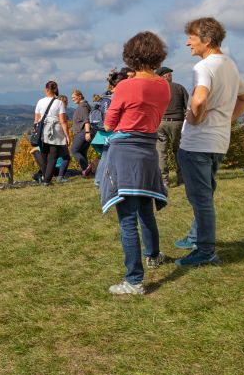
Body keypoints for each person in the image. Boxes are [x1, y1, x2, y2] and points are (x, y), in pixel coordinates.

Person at [174, 17, 244, 267]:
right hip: (218, 141)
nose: (187, 43)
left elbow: (198, 100)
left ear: (206, 40)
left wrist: (194, 119)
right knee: (205, 193)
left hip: (198, 142)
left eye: (192, 38)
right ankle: (197, 237)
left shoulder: (204, 67)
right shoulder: (228, 64)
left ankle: (205, 251)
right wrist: (229, 118)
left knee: (200, 198)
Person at [99, 32, 170, 295]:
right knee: (145, 208)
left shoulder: (125, 87)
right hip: (149, 148)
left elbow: (109, 122)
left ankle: (134, 280)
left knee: (127, 216)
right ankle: (153, 255)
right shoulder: (163, 85)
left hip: (125, 150)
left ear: (130, 55)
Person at [155, 67, 189, 187]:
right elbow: (187, 106)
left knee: (161, 152)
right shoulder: (179, 88)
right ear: (168, 76)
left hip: (160, 123)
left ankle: (164, 180)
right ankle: (181, 178)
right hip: (177, 123)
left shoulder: (155, 89)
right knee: (178, 151)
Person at [34, 81, 70, 186]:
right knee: (52, 157)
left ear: (46, 89)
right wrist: (67, 135)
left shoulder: (40, 102)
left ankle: (45, 178)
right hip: (55, 131)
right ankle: (46, 180)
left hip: (42, 131)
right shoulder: (59, 103)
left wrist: (36, 131)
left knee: (44, 155)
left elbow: (36, 119)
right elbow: (63, 121)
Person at [70, 89, 92, 175]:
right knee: (82, 152)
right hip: (83, 132)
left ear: (79, 96)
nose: (72, 99)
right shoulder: (83, 105)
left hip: (83, 132)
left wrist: (87, 132)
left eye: (74, 97)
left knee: (74, 150)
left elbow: (86, 120)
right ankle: (86, 172)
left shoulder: (83, 106)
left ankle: (86, 168)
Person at [55, 95, 73, 182]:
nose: (67, 104)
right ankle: (60, 176)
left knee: (53, 157)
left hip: (52, 137)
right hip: (60, 137)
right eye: (66, 102)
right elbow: (64, 124)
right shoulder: (62, 113)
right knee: (66, 157)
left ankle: (42, 174)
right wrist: (67, 136)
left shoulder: (53, 111)